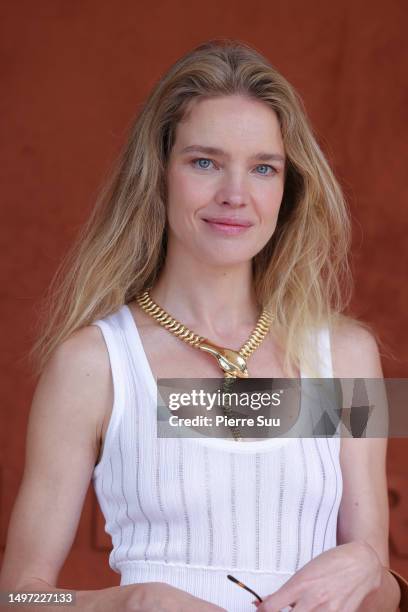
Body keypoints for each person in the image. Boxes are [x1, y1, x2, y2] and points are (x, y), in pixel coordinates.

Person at [0, 39, 405, 612]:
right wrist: (132, 602)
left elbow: (382, 594)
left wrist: (369, 564)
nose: (235, 195)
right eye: (205, 162)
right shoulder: (92, 364)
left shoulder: (350, 356)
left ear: (287, 189)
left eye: (263, 168)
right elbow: (16, 597)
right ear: (159, 173)